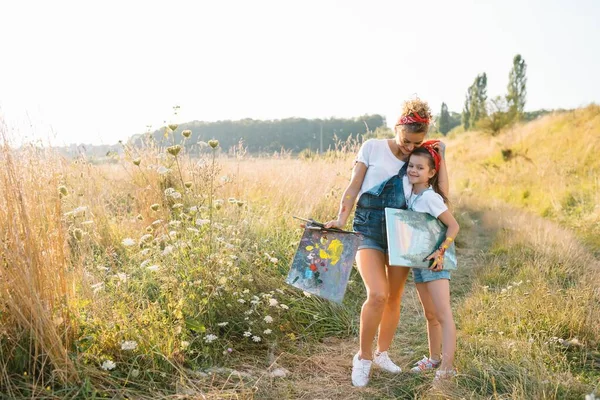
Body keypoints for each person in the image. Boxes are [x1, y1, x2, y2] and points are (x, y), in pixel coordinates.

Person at [324, 98, 449, 387]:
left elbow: (440, 192)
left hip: (401, 231)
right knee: (378, 294)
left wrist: (443, 156)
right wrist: (340, 219)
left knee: (393, 297)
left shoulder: (418, 157)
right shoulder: (372, 147)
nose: (409, 149)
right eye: (406, 141)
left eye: (415, 143)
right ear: (397, 128)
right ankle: (364, 358)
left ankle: (383, 353)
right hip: (367, 228)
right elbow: (354, 186)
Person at [403, 145, 459, 381]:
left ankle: (447, 367)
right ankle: (434, 358)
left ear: (431, 172)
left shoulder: (429, 197)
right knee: (430, 314)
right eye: (411, 166)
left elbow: (454, 225)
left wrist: (441, 251)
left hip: (435, 263)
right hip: (419, 263)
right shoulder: (411, 194)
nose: (414, 170)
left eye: (420, 167)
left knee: (443, 314)